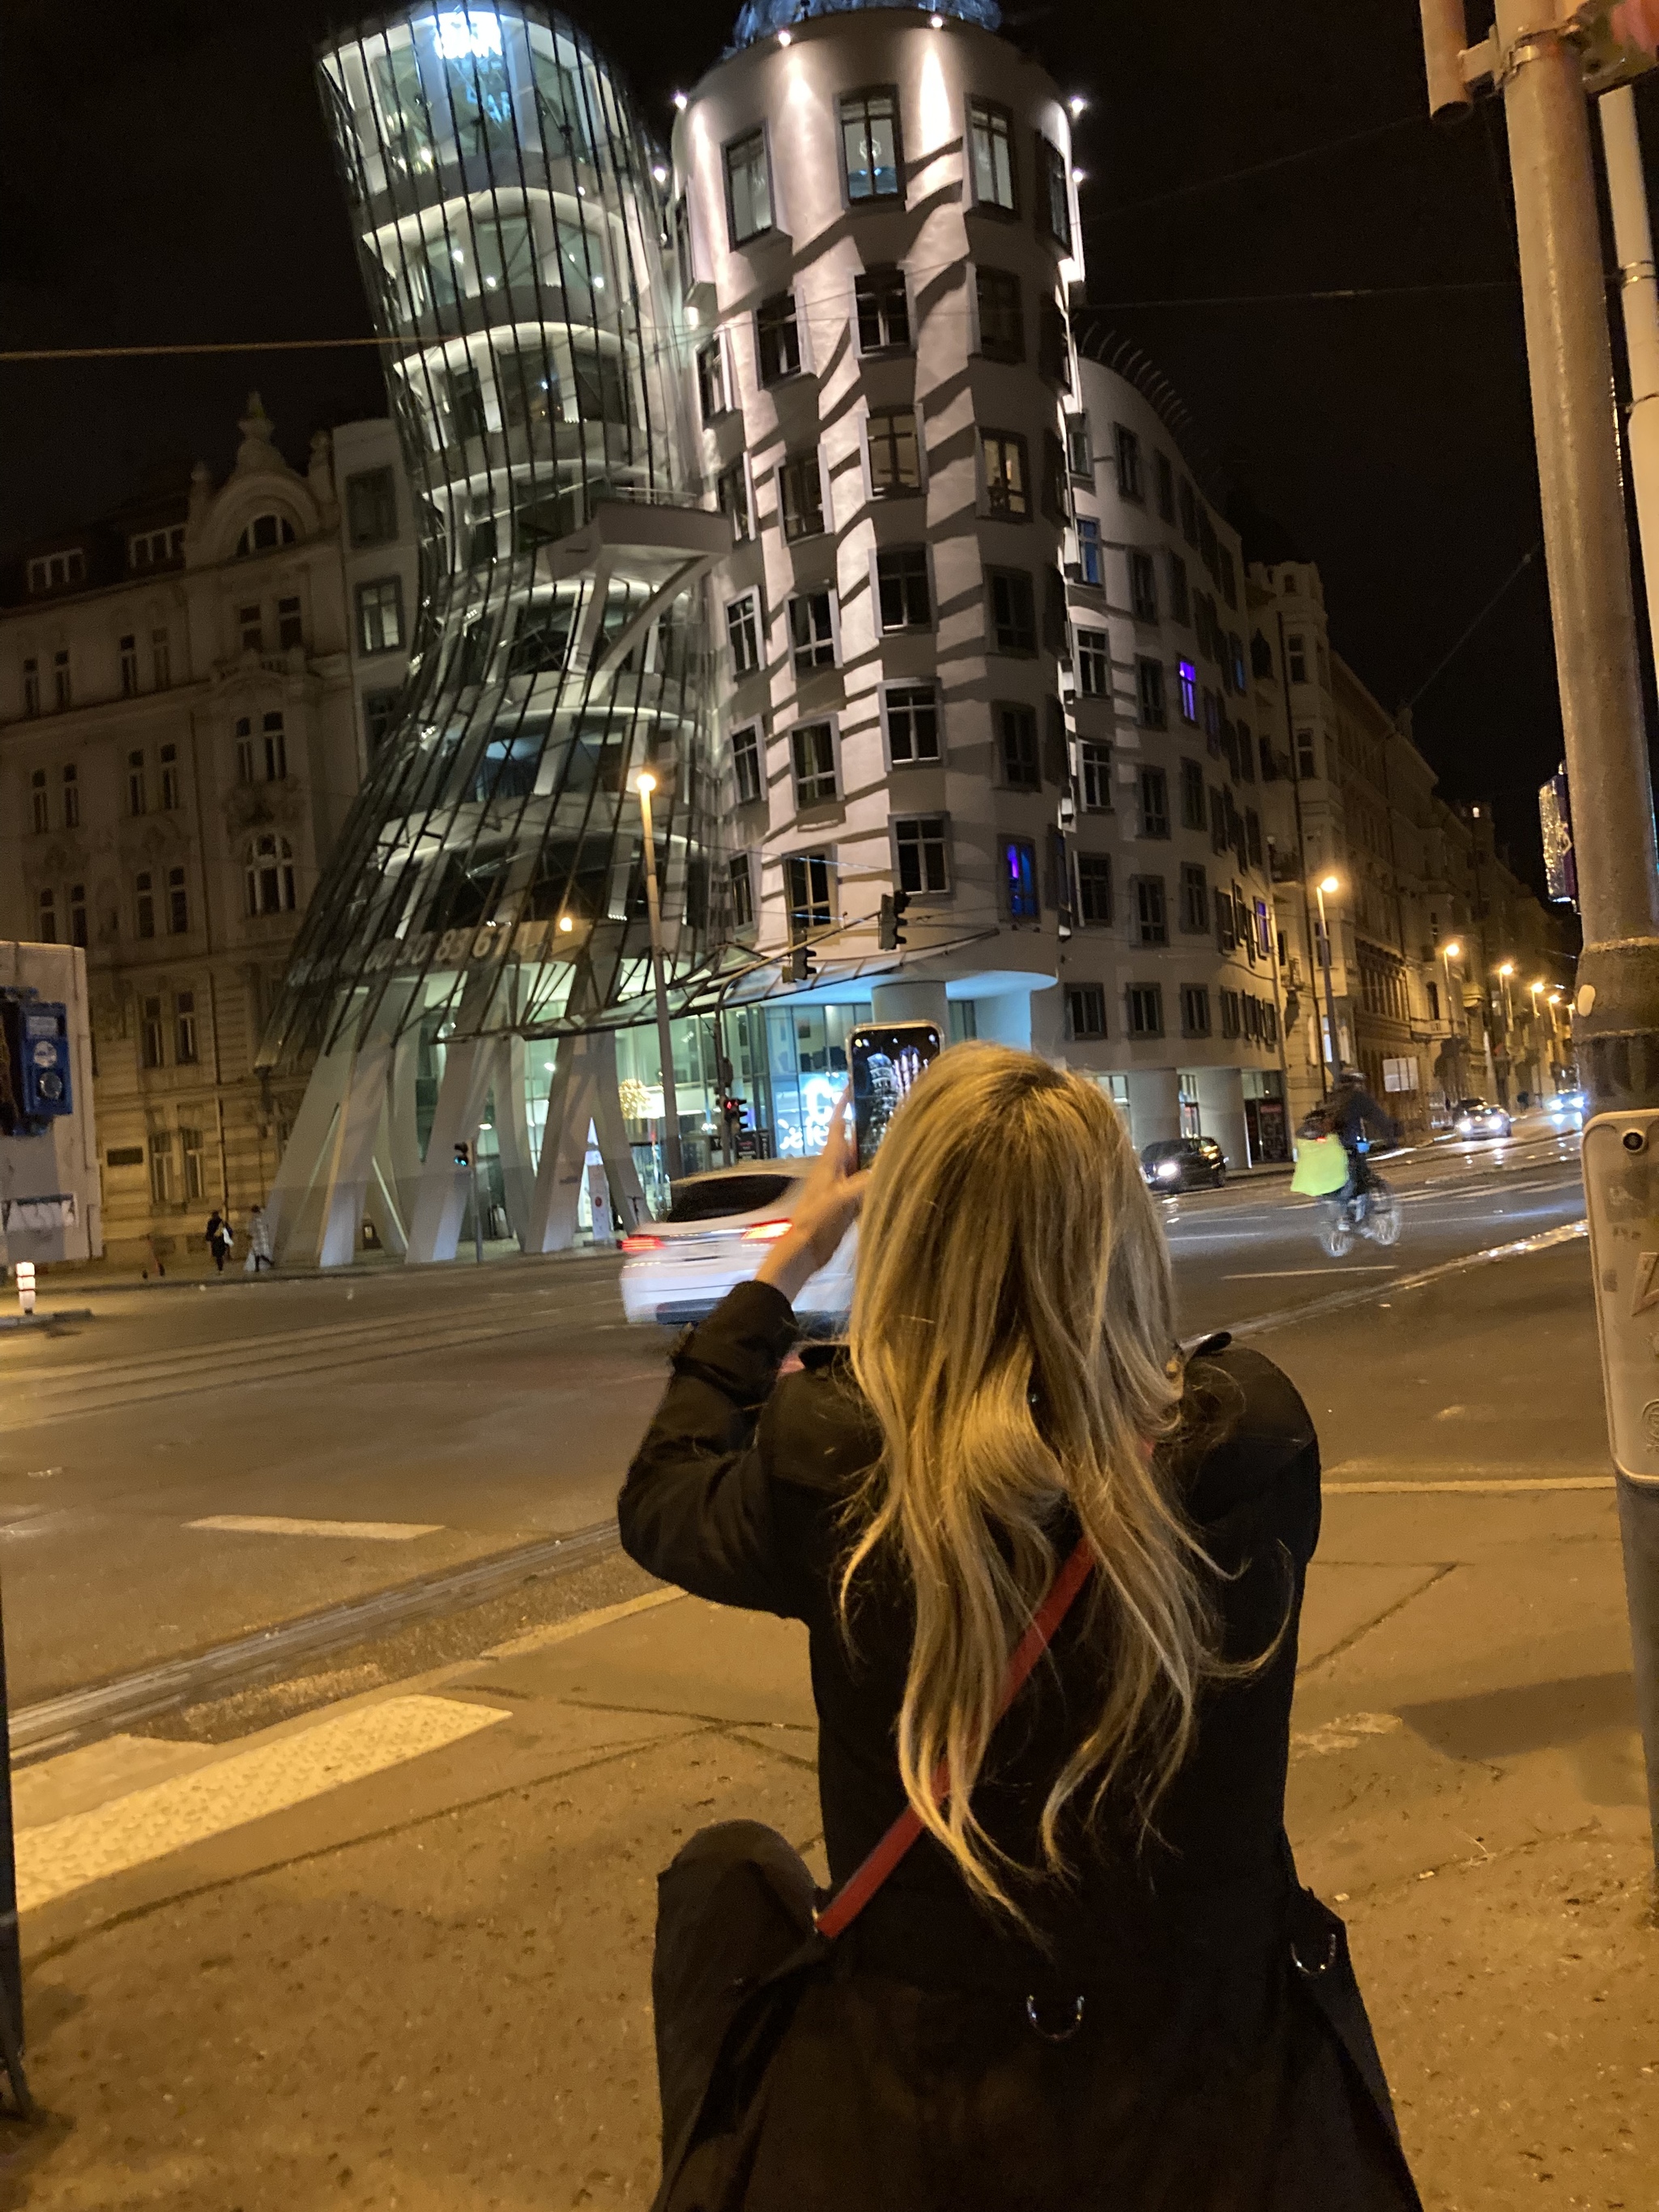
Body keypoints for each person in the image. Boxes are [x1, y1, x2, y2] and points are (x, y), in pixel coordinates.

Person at [621, 1044, 1418, 2211]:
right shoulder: (1254, 1441)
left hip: (934, 2116)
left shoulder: (837, 1458)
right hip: (1230, 2106)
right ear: (1120, 1237)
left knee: (722, 1875)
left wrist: (789, 1260)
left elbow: (662, 1492)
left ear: (911, 1242)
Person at [1327, 1069, 1398, 1204]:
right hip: (1351, 1143)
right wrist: (1391, 1138)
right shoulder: (1357, 1098)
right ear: (1355, 1083)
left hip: (1331, 1145)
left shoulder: (1332, 1097)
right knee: (1360, 1174)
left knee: (1345, 1174)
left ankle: (1344, 1205)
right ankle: (1351, 1211)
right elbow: (1378, 1118)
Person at [204, 1209, 233, 1274]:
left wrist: (209, 1237)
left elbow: (209, 1231)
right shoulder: (221, 1222)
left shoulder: (212, 1222)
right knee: (219, 1255)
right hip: (220, 1241)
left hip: (216, 1241)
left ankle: (220, 1268)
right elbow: (229, 1231)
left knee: (218, 1256)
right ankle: (220, 1267)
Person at [248, 1205, 275, 1272]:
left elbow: (252, 1228)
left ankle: (260, 1266)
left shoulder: (254, 1219)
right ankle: (267, 1263)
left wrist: (250, 1234)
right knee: (258, 1253)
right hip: (262, 1237)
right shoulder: (262, 1216)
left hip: (257, 1238)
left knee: (257, 1253)